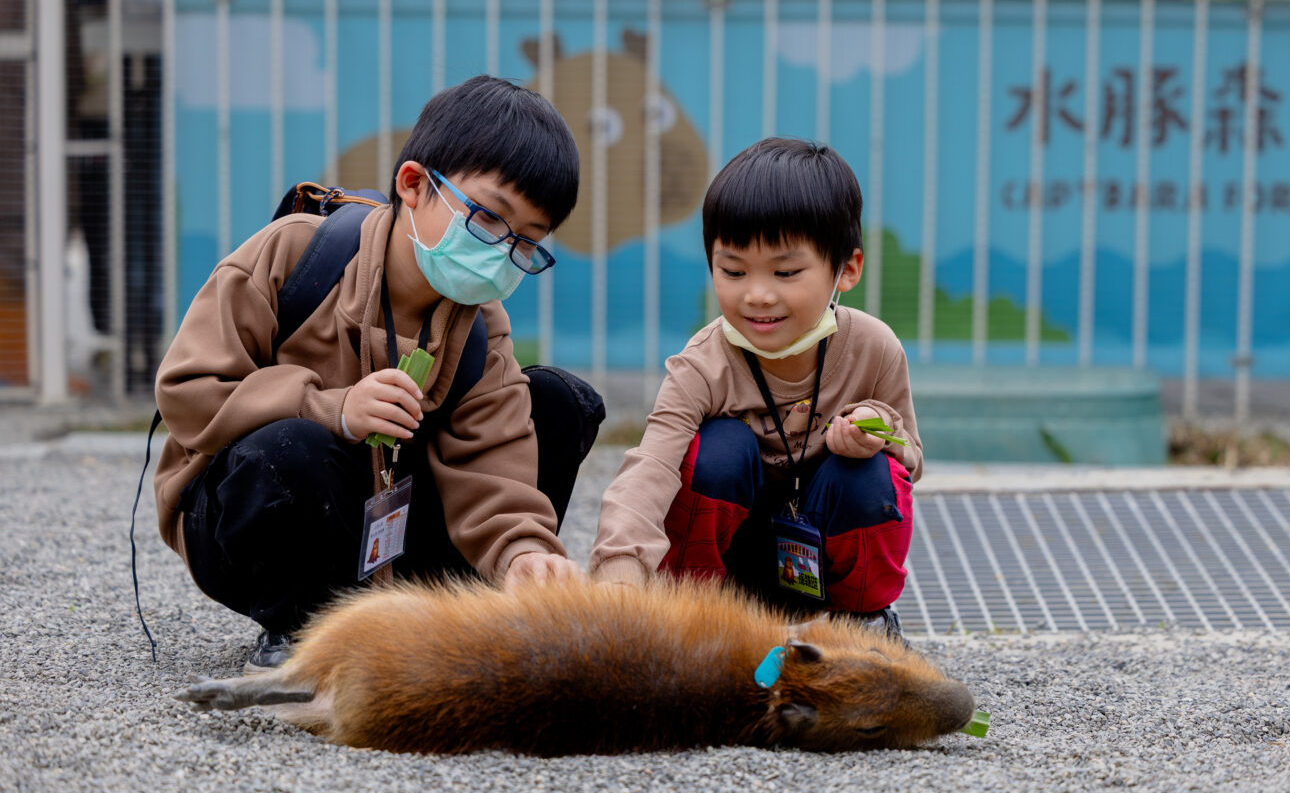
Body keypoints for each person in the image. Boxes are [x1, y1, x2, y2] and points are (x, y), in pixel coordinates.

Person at [153, 76, 605, 671]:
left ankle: (441, 610)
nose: (501, 252)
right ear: (414, 184)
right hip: (258, 527)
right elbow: (187, 392)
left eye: (527, 242)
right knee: (293, 448)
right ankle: (301, 624)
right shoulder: (295, 255)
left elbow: (494, 463)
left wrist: (523, 552)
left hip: (388, 538)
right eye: (490, 220)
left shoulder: (480, 326)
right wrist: (330, 408)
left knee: (558, 402)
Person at [588, 137, 921, 638]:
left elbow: (912, 461)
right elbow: (651, 467)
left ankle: (864, 624)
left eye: (786, 272)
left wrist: (879, 434)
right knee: (717, 451)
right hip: (730, 575)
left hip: (822, 568)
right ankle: (690, 618)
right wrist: (617, 570)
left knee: (870, 474)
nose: (757, 294)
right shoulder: (703, 364)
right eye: (733, 270)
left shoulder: (874, 347)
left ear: (845, 270)